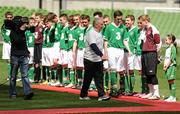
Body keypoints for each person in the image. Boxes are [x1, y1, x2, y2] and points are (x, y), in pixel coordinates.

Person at [80, 17, 111, 101]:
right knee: (88, 78)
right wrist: (102, 55)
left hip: (97, 60)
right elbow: (93, 45)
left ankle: (101, 95)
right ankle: (83, 94)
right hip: (89, 59)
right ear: (97, 25)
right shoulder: (91, 33)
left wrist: (102, 55)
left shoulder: (99, 33)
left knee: (99, 78)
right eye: (101, 24)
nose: (103, 25)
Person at [4, 16, 34, 100]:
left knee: (25, 75)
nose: (24, 24)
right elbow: (17, 41)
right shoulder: (13, 32)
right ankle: (12, 93)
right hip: (15, 56)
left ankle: (28, 93)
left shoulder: (24, 31)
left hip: (24, 56)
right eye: (22, 22)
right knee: (13, 76)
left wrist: (27, 52)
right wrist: (21, 29)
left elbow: (24, 43)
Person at [139, 15, 161, 100]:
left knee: (152, 74)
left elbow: (158, 43)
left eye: (142, 22)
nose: (141, 24)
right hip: (144, 53)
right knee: (146, 74)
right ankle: (151, 92)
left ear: (146, 21)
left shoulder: (153, 29)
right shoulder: (145, 30)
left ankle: (156, 93)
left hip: (151, 53)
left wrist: (156, 54)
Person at [163, 34, 177, 102]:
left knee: (172, 81)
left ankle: (173, 97)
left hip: (171, 66)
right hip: (167, 67)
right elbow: (167, 58)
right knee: (169, 81)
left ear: (171, 40)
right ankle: (171, 96)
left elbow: (172, 59)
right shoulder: (168, 48)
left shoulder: (173, 48)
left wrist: (167, 66)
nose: (165, 41)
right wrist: (164, 65)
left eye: (166, 40)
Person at [1, 12, 13, 80]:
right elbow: (4, 34)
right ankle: (10, 75)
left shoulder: (15, 25)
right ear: (6, 18)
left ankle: (14, 75)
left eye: (10, 17)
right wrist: (8, 40)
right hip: (6, 44)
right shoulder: (3, 26)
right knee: (8, 60)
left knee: (14, 59)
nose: (9, 19)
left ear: (12, 17)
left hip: (13, 44)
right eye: (8, 17)